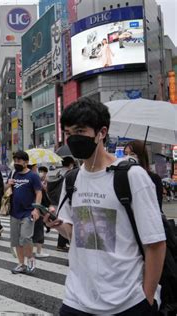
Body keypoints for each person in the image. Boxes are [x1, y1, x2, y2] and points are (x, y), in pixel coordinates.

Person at [44, 98, 166, 315]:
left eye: (80, 131)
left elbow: (155, 243)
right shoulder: (73, 179)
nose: (73, 138)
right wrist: (58, 224)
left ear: (101, 132)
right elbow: (77, 236)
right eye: (69, 132)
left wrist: (147, 299)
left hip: (127, 301)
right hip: (77, 299)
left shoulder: (131, 176)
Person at [7, 151, 42, 274]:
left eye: (19, 160)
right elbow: (5, 190)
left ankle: (30, 259)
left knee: (26, 238)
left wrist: (36, 209)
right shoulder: (14, 174)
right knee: (16, 240)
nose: (16, 163)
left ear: (26, 162)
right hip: (14, 212)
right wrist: (8, 184)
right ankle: (21, 264)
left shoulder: (33, 176)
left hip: (28, 212)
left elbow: (39, 192)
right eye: (15, 160)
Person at [124, 140, 164, 210]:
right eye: (125, 153)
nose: (128, 157)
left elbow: (157, 205)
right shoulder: (121, 176)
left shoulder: (153, 178)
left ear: (141, 156)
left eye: (132, 154)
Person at [33, 166, 50, 258]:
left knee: (33, 231)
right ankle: (38, 251)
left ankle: (33, 251)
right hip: (37, 208)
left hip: (29, 209)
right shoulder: (34, 179)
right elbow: (41, 194)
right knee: (38, 230)